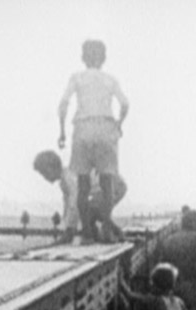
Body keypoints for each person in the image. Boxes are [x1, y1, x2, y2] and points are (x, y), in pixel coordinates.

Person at [58, 39, 129, 243]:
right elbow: (125, 103)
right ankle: (107, 230)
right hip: (106, 127)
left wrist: (62, 131)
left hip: (83, 127)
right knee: (107, 183)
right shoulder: (110, 80)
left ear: (83, 57)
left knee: (82, 184)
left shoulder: (77, 78)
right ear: (104, 58)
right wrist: (119, 123)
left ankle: (88, 233)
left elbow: (63, 103)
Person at [32, 150, 78, 244]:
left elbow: (74, 202)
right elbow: (67, 206)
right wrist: (67, 225)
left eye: (44, 173)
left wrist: (69, 229)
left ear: (51, 168)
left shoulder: (69, 177)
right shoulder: (63, 182)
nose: (44, 177)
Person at [87, 172, 127, 242]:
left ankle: (115, 234)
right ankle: (99, 235)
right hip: (107, 189)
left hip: (116, 188)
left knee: (97, 212)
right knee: (92, 212)